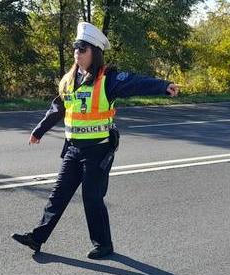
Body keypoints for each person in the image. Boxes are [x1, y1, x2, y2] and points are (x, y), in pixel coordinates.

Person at [12, 22, 179, 259]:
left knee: (92, 198)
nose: (76, 53)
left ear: (95, 52)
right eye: (75, 48)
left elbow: (135, 83)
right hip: (73, 149)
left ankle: (103, 244)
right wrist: (39, 131)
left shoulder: (108, 79)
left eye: (82, 49)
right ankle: (36, 238)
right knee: (58, 195)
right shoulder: (69, 79)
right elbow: (58, 108)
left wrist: (163, 86)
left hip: (98, 150)